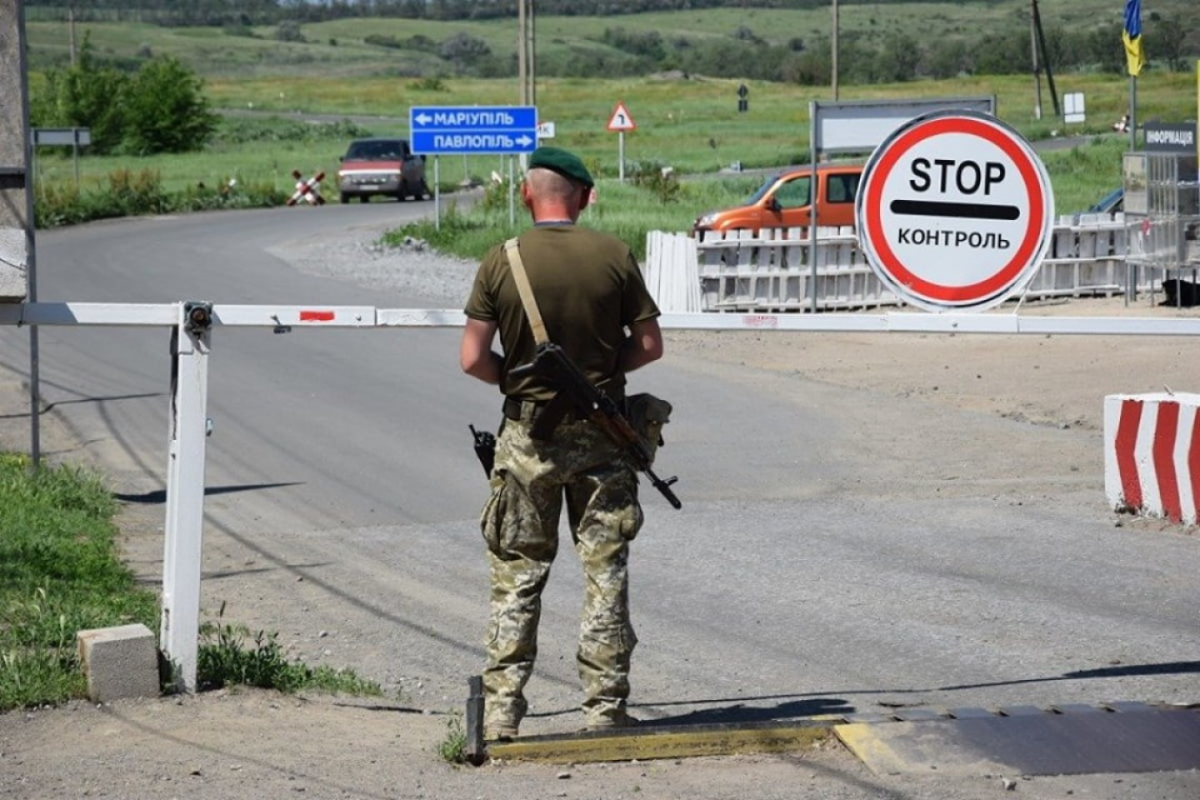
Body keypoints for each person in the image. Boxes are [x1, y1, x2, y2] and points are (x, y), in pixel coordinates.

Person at [459, 146, 665, 739]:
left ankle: (500, 713)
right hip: (605, 436)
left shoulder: (503, 260)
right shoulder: (613, 255)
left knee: (518, 572)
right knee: (605, 570)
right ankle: (604, 710)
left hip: (528, 438)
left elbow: (472, 358)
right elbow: (650, 347)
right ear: (584, 196)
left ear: (527, 193)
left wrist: (526, 382)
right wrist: (598, 382)